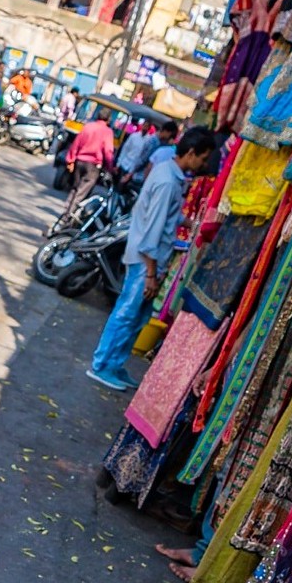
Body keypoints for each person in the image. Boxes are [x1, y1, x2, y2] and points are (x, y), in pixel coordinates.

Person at [86, 127, 219, 391]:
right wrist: (150, 274)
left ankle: (114, 364)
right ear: (191, 153)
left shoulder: (167, 172)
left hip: (147, 258)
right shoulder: (168, 181)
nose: (203, 165)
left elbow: (158, 215)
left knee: (137, 316)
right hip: (145, 260)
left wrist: (186, 220)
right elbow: (151, 233)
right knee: (127, 314)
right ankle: (101, 365)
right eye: (202, 158)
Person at [58, 108, 115, 224]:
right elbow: (108, 152)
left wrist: (71, 160)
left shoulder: (88, 126)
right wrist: (110, 168)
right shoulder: (107, 132)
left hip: (80, 161)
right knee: (81, 193)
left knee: (75, 189)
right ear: (108, 119)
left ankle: (65, 214)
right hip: (93, 166)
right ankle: (67, 219)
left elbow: (76, 143)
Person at [117, 119, 178, 185]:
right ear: (167, 132)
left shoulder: (160, 143)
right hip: (139, 177)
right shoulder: (153, 142)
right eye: (171, 136)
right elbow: (142, 160)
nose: (170, 139)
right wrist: (130, 174)